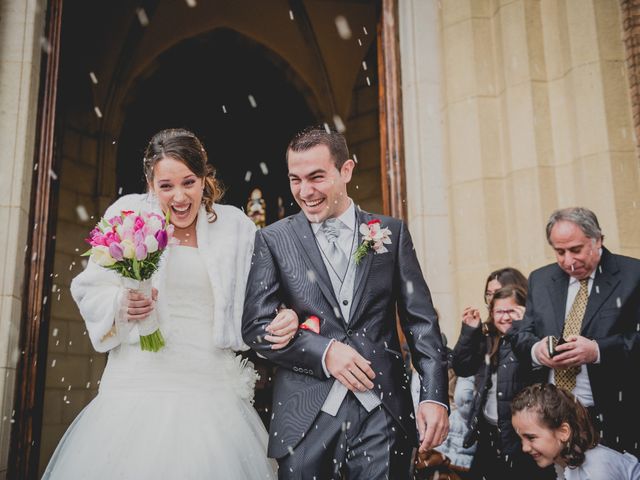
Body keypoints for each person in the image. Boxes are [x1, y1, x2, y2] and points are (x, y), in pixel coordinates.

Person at [43, 128, 299, 479]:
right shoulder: (127, 215)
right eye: (166, 186)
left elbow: (264, 294)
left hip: (209, 387)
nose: (179, 197)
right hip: (139, 379)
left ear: (204, 179)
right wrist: (121, 303)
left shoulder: (235, 227)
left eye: (189, 182)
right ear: (150, 183)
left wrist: (283, 314)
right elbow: (89, 288)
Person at [242, 126, 450, 479]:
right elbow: (256, 328)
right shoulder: (273, 240)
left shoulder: (391, 232)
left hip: (382, 411)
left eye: (316, 177)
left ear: (346, 171)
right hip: (305, 418)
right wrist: (323, 352)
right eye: (295, 179)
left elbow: (421, 321)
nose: (305, 192)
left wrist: (434, 395)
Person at [507, 207, 640, 456]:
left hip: (614, 414)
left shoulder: (633, 275)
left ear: (597, 239)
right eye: (560, 252)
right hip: (552, 419)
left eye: (576, 250)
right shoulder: (541, 279)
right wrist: (537, 351)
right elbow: (521, 334)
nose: (568, 261)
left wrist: (598, 351)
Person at [452, 284, 549, 479]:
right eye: (499, 311)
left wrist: (521, 328)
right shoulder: (488, 338)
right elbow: (462, 367)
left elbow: (539, 372)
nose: (504, 317)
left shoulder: (532, 340)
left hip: (522, 433)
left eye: (511, 311)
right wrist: (469, 332)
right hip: (488, 432)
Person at [512, 383, 640, 480]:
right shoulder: (565, 460)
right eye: (520, 438)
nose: (524, 448)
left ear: (563, 432)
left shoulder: (595, 471)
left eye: (531, 437)